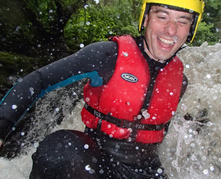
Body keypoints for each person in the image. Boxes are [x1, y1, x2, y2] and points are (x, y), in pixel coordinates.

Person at [0, 0, 204, 178]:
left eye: (182, 21)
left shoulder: (180, 81)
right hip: (96, 161)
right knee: (60, 149)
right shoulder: (107, 56)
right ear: (145, 19)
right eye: (162, 16)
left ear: (191, 30)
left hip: (145, 171)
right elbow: (40, 80)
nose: (170, 29)